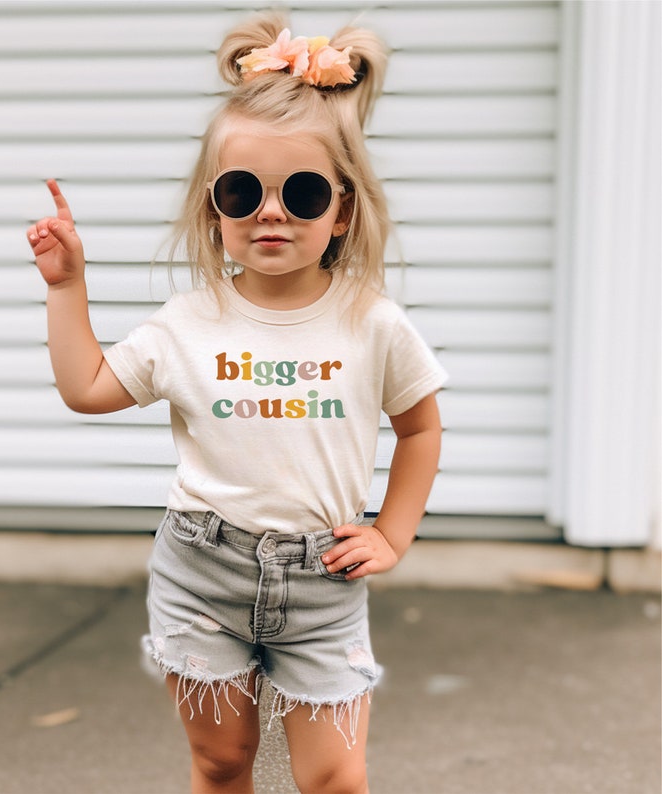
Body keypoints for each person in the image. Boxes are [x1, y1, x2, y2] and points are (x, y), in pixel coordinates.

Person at [27, 12, 446, 794]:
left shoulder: (373, 323)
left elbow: (420, 427)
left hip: (323, 581)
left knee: (335, 779)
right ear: (215, 208)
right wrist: (66, 288)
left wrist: (393, 532)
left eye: (305, 191)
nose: (272, 211)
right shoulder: (188, 324)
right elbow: (86, 389)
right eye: (243, 190)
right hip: (201, 572)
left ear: (344, 210)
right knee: (222, 763)